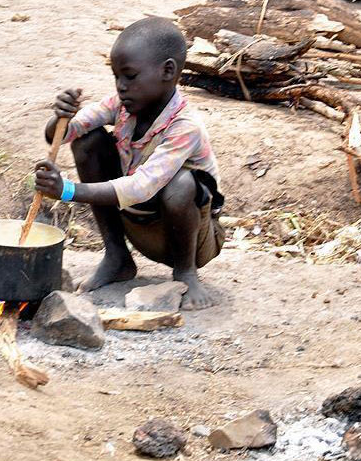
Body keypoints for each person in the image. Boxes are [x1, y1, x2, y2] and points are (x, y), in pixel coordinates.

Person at [34, 17, 224, 310]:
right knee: (89, 140)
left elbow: (140, 187)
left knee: (181, 183)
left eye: (130, 76)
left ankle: (186, 273)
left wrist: (68, 190)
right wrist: (60, 117)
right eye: (116, 77)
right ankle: (117, 257)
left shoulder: (185, 127)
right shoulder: (121, 105)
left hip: (192, 238)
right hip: (137, 221)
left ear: (168, 71)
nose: (121, 87)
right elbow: (70, 132)